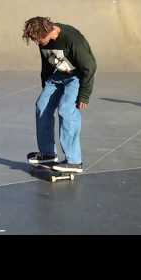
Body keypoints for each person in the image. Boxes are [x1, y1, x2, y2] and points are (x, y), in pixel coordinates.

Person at [22, 16, 97, 173]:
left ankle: (74, 161)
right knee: (42, 106)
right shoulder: (43, 39)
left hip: (76, 77)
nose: (37, 43)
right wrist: (45, 87)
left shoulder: (72, 39)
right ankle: (48, 154)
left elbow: (89, 66)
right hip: (57, 76)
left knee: (66, 110)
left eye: (38, 40)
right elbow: (47, 64)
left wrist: (84, 94)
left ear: (47, 31)